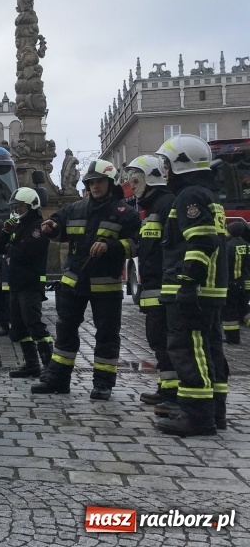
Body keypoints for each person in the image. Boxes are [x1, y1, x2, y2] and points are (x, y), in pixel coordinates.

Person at [32, 159, 140, 400]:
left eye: (99, 181)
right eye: (91, 182)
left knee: (107, 334)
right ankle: (58, 379)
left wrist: (110, 247)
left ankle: (103, 383)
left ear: (110, 184)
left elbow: (136, 245)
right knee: (65, 332)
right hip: (73, 283)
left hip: (106, 285)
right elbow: (58, 227)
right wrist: (51, 227)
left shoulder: (125, 213)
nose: (95, 186)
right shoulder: (75, 208)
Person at [154, 134, 229, 437]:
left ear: (181, 163)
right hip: (208, 291)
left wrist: (187, 283)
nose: (165, 172)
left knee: (189, 350)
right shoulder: (205, 193)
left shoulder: (190, 196)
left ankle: (197, 416)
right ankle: (215, 411)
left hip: (193, 291)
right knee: (210, 350)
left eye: (167, 165)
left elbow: (200, 242)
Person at [124, 155, 178, 416]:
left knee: (168, 342)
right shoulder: (152, 208)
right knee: (158, 341)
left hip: (166, 291)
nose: (131, 185)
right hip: (155, 290)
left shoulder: (166, 204)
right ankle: (167, 389)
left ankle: (174, 394)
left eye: (135, 180)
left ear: (150, 177)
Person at [0, 187, 54, 378]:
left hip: (31, 284)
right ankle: (32, 365)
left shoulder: (38, 227)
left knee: (34, 323)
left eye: (20, 207)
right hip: (17, 283)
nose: (17, 211)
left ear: (31, 205)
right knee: (19, 326)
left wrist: (11, 249)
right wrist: (5, 232)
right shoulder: (19, 226)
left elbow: (24, 252)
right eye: (16, 207)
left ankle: (48, 366)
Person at [223, 221, 250, 345]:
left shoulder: (228, 246)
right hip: (246, 284)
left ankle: (232, 338)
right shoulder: (248, 246)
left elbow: (225, 266)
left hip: (231, 284)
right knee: (244, 309)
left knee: (230, 311)